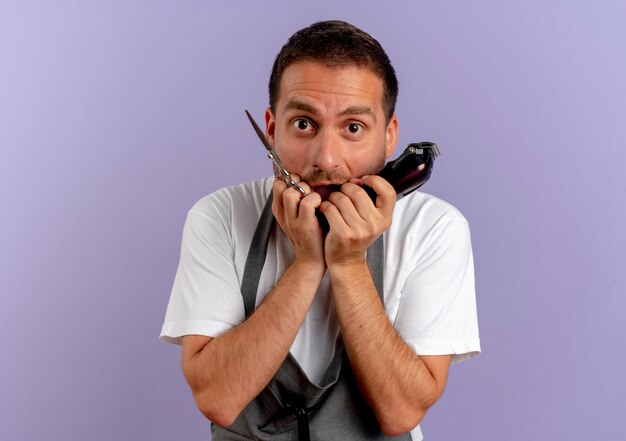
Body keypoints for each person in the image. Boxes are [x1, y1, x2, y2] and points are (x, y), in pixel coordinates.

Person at [160, 20, 480, 441]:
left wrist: (347, 263)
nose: (326, 158)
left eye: (353, 128)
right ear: (272, 130)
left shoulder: (436, 228)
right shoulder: (217, 216)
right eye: (304, 124)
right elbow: (218, 399)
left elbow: (401, 413)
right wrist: (308, 262)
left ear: (389, 138)